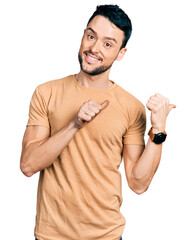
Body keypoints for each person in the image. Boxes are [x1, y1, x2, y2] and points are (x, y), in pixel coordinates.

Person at [20, 4, 175, 240]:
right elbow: (28, 165)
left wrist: (158, 129)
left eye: (107, 43)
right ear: (83, 35)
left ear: (121, 53)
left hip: (107, 235)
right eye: (91, 36)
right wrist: (74, 125)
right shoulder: (46, 93)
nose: (93, 48)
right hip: (51, 236)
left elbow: (138, 183)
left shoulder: (131, 108)